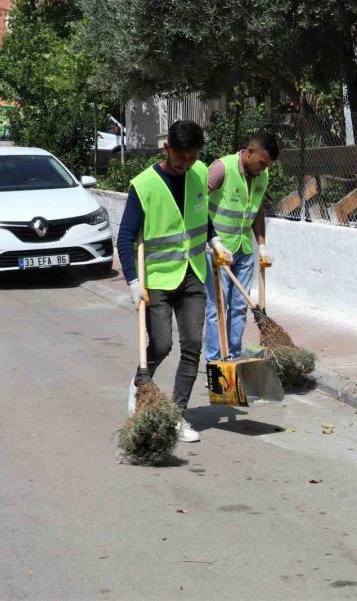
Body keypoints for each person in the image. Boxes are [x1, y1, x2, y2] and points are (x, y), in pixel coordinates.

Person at [118, 120, 234, 443]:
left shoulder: (199, 174)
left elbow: (202, 217)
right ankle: (141, 383)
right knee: (161, 345)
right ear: (167, 148)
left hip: (193, 273)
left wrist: (216, 241)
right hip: (157, 279)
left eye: (192, 157)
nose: (186, 164)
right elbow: (125, 237)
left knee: (193, 345)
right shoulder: (144, 186)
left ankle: (177, 415)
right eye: (181, 157)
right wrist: (131, 281)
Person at [203, 132, 279, 363]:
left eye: (268, 165)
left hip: (244, 249)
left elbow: (257, 210)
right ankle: (215, 362)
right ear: (249, 152)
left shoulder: (262, 176)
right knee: (217, 307)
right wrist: (212, 240)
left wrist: (262, 246)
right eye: (262, 162)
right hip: (217, 251)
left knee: (239, 306)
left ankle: (233, 358)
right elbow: (197, 203)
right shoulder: (221, 168)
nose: (264, 168)